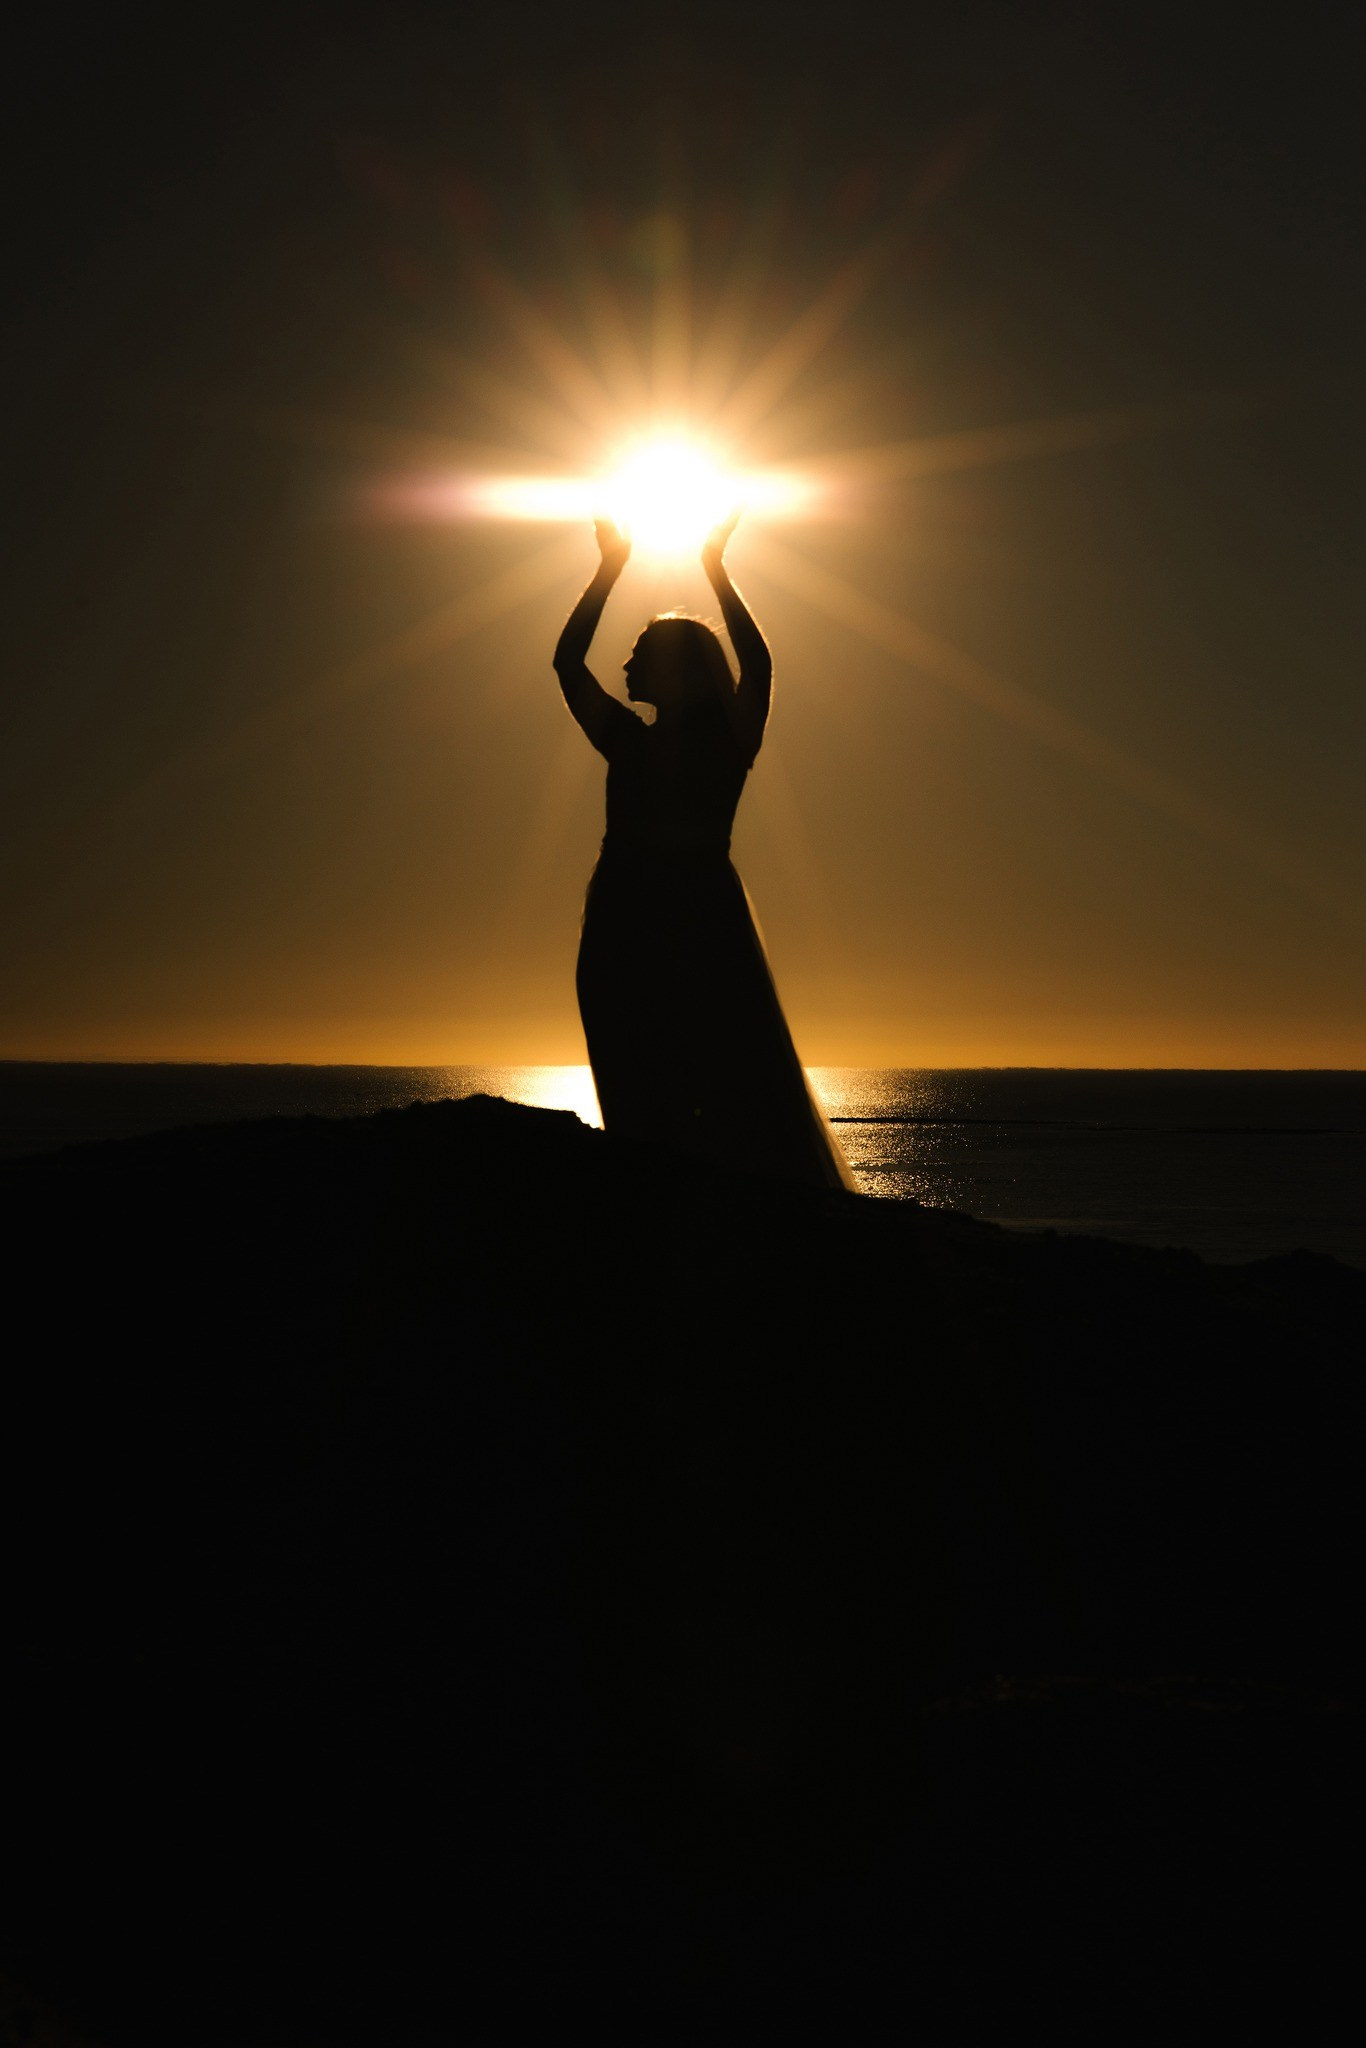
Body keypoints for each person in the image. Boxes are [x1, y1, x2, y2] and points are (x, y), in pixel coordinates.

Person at [553, 512, 854, 1191]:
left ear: (676, 669)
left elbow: (757, 662)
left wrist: (706, 570)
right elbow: (567, 666)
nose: (626, 662)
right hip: (651, 914)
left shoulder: (695, 740)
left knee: (687, 1055)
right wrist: (618, 568)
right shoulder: (690, 742)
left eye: (640, 652)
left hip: (659, 915)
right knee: (662, 1055)